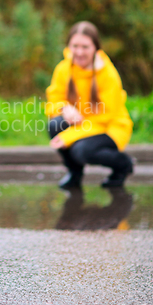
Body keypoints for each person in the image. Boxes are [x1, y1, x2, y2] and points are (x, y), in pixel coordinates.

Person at [45, 21, 133, 190]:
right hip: (84, 124)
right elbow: (52, 102)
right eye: (75, 46)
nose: (79, 52)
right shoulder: (63, 69)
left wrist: (69, 136)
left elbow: (106, 117)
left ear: (95, 48)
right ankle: (75, 174)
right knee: (55, 124)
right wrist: (64, 108)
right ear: (68, 46)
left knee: (81, 150)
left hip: (110, 128)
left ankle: (123, 165)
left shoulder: (108, 74)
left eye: (85, 47)